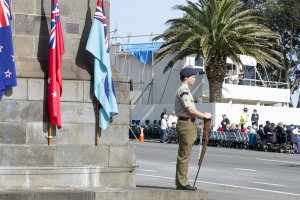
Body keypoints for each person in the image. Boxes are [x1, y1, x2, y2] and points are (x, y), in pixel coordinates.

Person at [175, 67, 212, 191]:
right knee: (184, 155)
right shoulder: (183, 90)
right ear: (186, 77)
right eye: (193, 76)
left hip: (188, 123)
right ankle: (182, 182)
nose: (195, 78)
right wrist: (204, 116)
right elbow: (190, 110)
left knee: (185, 154)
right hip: (186, 124)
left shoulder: (186, 90)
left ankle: (181, 182)